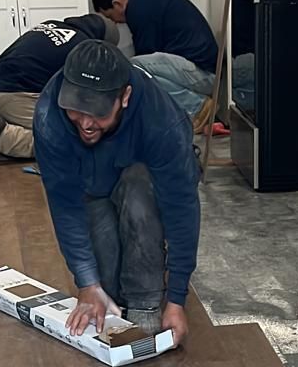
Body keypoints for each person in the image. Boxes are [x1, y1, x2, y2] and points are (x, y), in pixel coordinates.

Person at [33, 38, 200, 347]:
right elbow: (65, 204)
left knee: (139, 186)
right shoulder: (50, 117)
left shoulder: (162, 123)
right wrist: (87, 283)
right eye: (77, 109)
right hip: (89, 185)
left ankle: (146, 301)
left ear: (124, 97)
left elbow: (181, 210)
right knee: (106, 291)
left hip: (140, 182)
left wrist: (176, 300)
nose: (85, 122)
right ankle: (112, 291)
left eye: (96, 112)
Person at [0, 5, 120, 163]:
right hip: (16, 93)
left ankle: (1, 124)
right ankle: (1, 138)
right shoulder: (84, 47)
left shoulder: (53, 24)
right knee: (68, 142)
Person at [94, 0, 219, 125]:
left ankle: (197, 106)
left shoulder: (138, 9)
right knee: (140, 72)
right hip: (205, 70)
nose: (114, 22)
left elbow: (143, 60)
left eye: (110, 16)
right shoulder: (145, 0)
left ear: (117, 4)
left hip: (203, 74)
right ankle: (197, 106)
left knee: (135, 68)